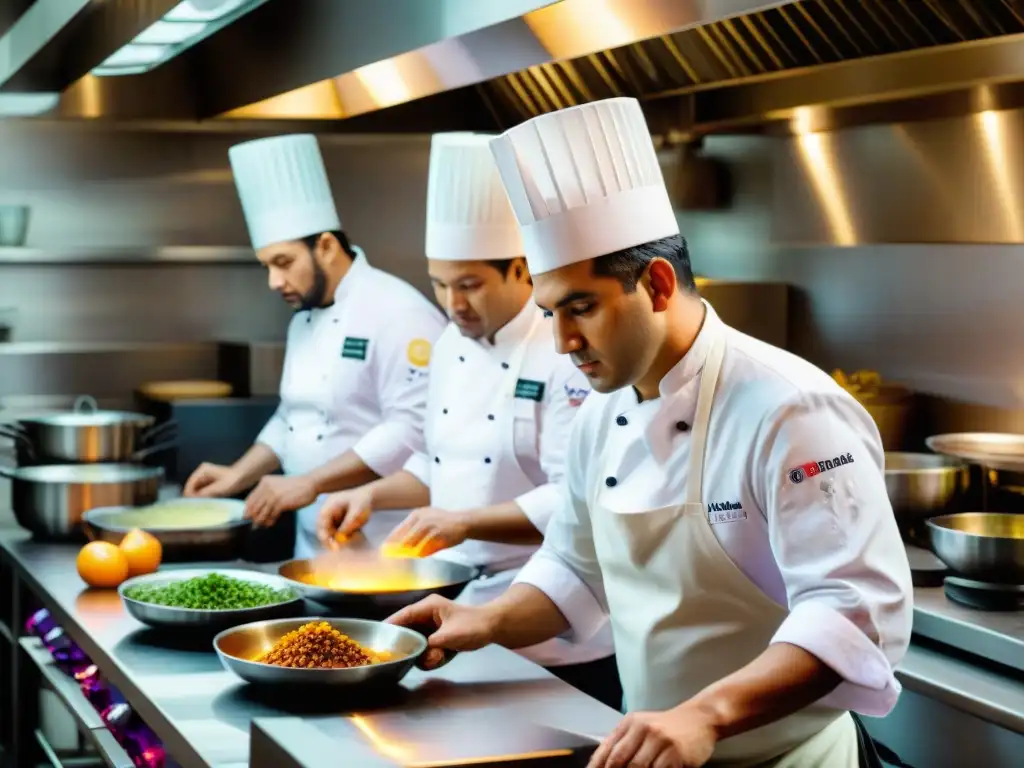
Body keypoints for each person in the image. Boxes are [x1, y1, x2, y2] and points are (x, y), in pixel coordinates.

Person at [387, 98, 914, 767]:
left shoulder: (789, 409)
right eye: (550, 311)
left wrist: (706, 715)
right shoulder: (601, 412)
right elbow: (577, 567)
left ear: (658, 284)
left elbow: (854, 610)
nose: (563, 340)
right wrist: (484, 621)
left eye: (581, 308)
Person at [316, 132, 620, 709]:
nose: (452, 303)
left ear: (521, 272)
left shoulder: (567, 353)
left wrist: (463, 522)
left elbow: (577, 501)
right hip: (455, 614)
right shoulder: (453, 344)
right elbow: (440, 464)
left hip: (553, 632)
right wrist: (371, 497)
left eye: (469, 284)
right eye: (439, 283)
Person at [183, 133, 446, 558]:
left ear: (325, 246)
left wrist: (309, 482)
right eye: (266, 266)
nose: (274, 281)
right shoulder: (304, 316)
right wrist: (237, 476)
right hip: (312, 544)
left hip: (387, 545)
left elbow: (411, 429)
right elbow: (293, 418)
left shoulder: (399, 312)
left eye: (284, 263)